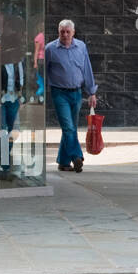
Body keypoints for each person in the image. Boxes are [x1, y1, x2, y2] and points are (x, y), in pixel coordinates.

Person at [44, 19, 98, 173]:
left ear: (73, 32)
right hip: (59, 93)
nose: (65, 34)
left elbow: (87, 69)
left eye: (68, 32)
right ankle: (77, 156)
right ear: (58, 32)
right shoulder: (50, 49)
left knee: (70, 128)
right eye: (62, 32)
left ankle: (63, 161)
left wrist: (91, 92)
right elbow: (42, 71)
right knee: (68, 127)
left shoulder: (81, 46)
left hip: (77, 93)